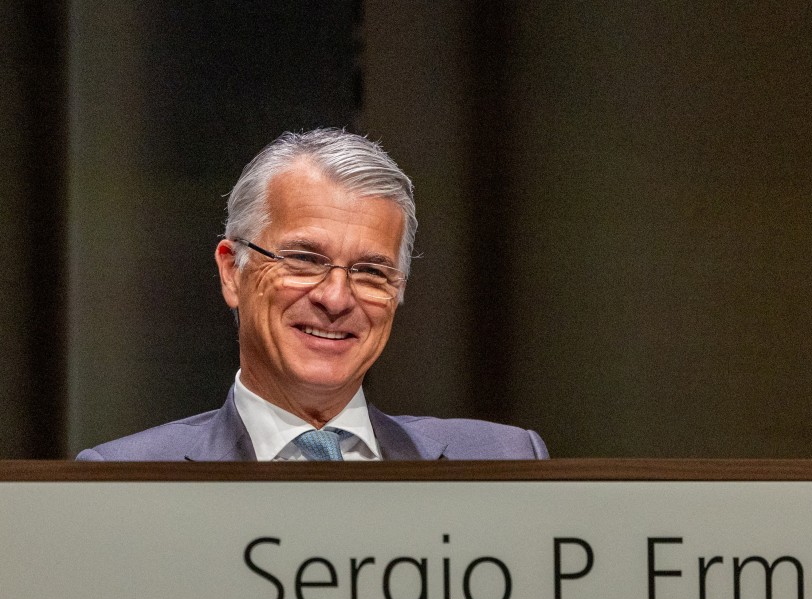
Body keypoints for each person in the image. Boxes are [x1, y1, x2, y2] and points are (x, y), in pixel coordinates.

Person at [77, 129, 547, 461]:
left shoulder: (504, 460)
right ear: (232, 271)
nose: (336, 298)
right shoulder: (125, 482)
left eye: (371, 271)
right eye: (304, 259)